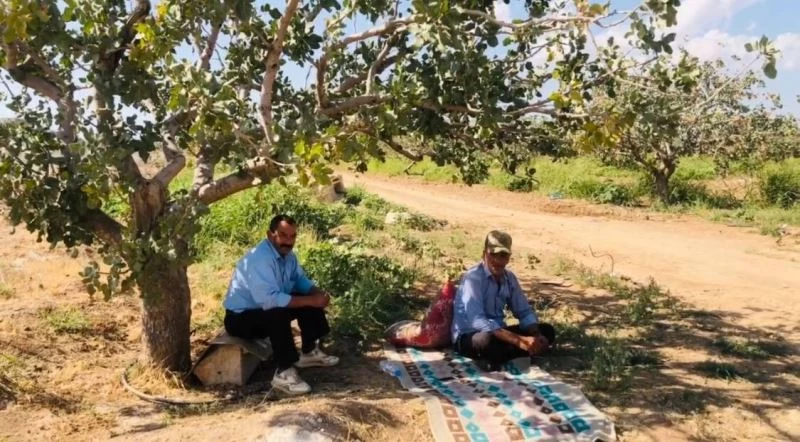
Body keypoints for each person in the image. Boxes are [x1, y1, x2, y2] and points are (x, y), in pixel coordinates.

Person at [223, 214, 339, 395]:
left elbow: (299, 280)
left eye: (292, 236)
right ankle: (283, 371)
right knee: (277, 313)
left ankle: (308, 353)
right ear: (270, 235)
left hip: (263, 311)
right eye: (283, 235)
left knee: (306, 299)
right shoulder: (260, 259)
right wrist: (310, 300)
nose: (288, 241)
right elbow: (269, 300)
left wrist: (316, 293)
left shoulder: (287, 255)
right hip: (240, 319)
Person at [451, 230, 556, 372]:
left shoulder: (509, 278)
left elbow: (524, 311)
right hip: (470, 335)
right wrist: (518, 340)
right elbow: (478, 321)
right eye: (493, 254)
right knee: (485, 341)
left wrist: (536, 335)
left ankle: (504, 355)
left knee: (547, 331)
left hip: (500, 333)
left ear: (508, 257)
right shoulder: (473, 278)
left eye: (503, 255)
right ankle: (516, 352)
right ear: (484, 254)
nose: (498, 260)